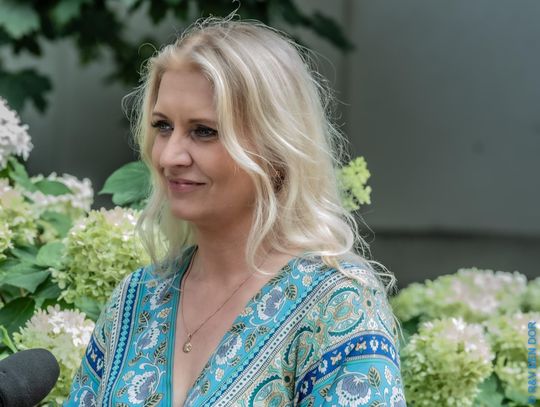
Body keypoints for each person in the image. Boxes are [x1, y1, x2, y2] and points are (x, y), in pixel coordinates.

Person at [65, 16, 406, 407]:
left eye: (204, 131)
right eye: (163, 126)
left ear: (275, 149)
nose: (170, 156)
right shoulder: (137, 300)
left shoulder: (337, 304)